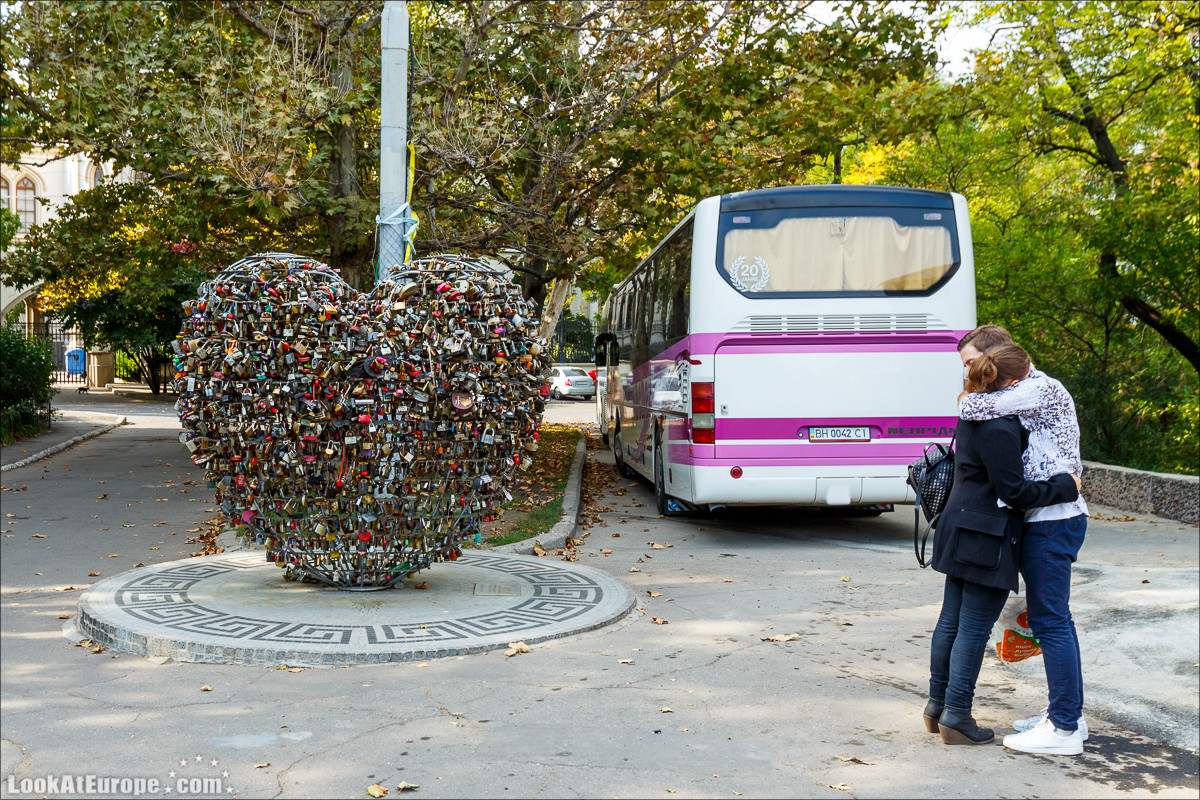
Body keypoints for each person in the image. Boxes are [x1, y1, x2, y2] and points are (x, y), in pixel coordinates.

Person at [925, 343, 1081, 746]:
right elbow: (1013, 490)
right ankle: (957, 713)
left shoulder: (974, 413)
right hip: (985, 535)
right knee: (973, 628)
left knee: (952, 621)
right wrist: (1067, 485)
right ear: (1011, 383)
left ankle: (937, 706)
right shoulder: (1001, 426)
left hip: (959, 526)